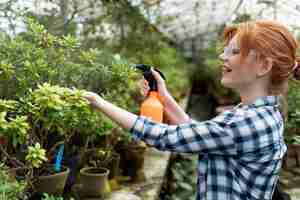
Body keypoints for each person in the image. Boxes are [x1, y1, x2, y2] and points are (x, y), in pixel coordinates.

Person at [84, 20, 300, 200]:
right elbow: (199, 134)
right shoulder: (259, 113)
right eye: (225, 50)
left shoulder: (247, 123)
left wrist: (99, 102)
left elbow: (165, 136)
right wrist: (164, 96)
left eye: (234, 51)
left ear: (263, 66)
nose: (223, 57)